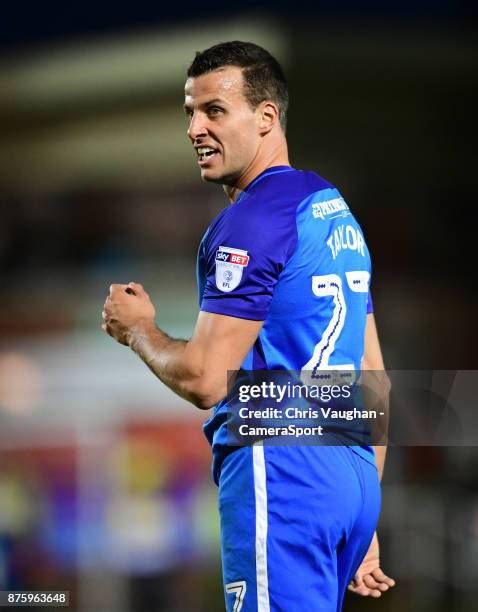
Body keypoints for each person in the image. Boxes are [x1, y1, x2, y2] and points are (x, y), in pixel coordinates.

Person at [102, 41, 395, 611]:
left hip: (280, 472)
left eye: (214, 110)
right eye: (190, 111)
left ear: (267, 119)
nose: (194, 128)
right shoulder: (333, 210)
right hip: (349, 475)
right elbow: (373, 376)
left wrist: (137, 330)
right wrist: (364, 505)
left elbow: (206, 381)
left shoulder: (253, 221)